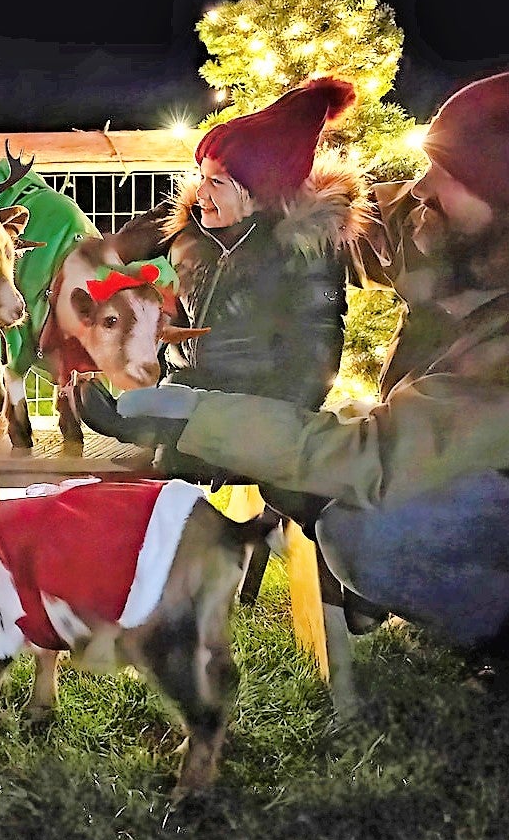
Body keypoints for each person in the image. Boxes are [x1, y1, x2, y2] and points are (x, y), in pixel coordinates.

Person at [77, 64, 509, 695]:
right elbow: (342, 218)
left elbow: (374, 457)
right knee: (308, 485)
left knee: (363, 535)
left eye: (447, 175)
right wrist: (213, 212)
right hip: (424, 445)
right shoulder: (448, 222)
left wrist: (191, 413)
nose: (422, 186)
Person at [116, 76, 367, 515]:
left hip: (259, 406)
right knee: (148, 483)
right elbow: (109, 254)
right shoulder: (191, 229)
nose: (200, 191)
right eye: (201, 176)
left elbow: (315, 355)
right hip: (185, 392)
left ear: (259, 192)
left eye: (217, 181)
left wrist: (263, 431)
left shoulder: (302, 249)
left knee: (177, 472)